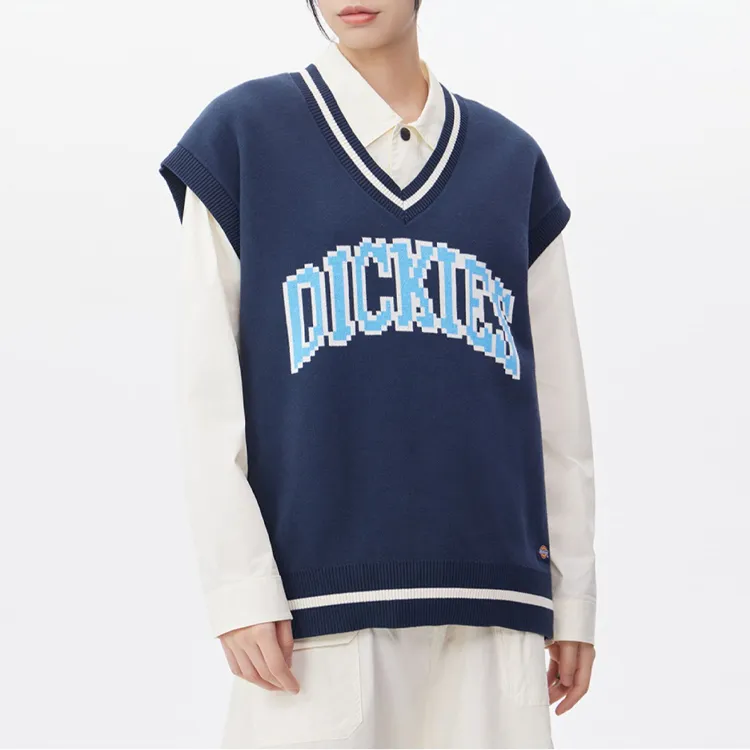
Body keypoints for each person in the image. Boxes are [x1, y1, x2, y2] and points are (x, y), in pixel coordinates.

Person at [158, 1, 597, 747]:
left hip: (492, 602)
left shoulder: (510, 162)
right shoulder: (242, 138)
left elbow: (557, 404)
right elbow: (207, 392)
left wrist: (574, 593)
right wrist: (238, 585)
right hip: (312, 613)